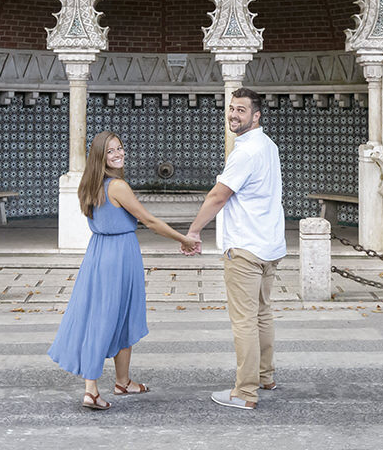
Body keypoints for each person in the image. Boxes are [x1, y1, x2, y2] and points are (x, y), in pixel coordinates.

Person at [47, 130, 200, 410]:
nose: (118, 154)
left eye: (120, 148)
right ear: (100, 156)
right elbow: (149, 221)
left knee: (116, 315)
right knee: (106, 319)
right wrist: (184, 239)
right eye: (111, 151)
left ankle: (122, 381)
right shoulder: (117, 186)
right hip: (119, 254)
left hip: (99, 253)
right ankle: (91, 390)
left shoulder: (90, 184)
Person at [185, 87, 286, 411]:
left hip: (245, 246)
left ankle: (245, 392)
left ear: (256, 115)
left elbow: (218, 195)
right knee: (262, 314)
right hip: (268, 245)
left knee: (244, 321)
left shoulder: (245, 152)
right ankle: (265, 376)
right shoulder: (268, 146)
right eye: (231, 109)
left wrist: (194, 230)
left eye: (241, 110)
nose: (233, 115)